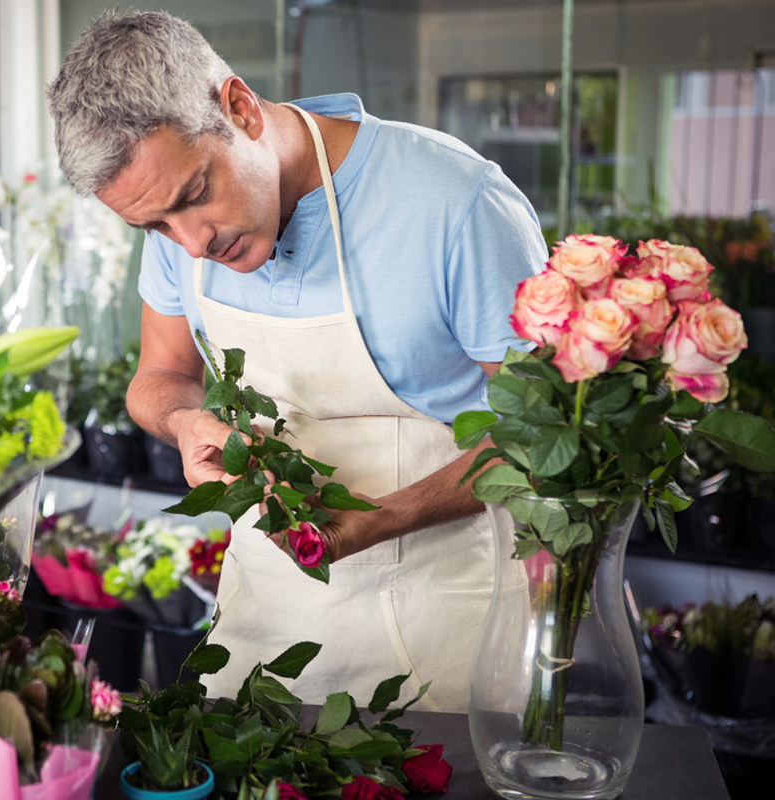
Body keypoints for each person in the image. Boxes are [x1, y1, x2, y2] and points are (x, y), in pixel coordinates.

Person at [48, 9, 547, 712]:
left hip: (446, 622)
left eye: (195, 197)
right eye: (155, 225)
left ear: (241, 108)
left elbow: (544, 438)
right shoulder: (177, 227)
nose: (190, 244)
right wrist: (186, 423)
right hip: (262, 631)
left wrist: (388, 516)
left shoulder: (456, 203)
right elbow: (158, 379)